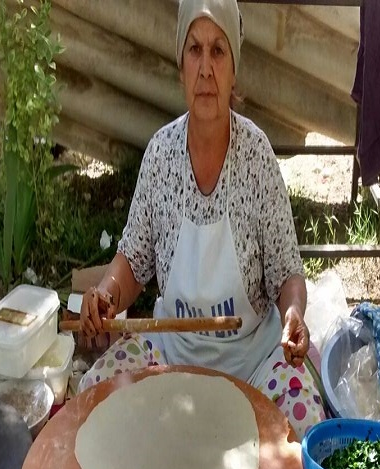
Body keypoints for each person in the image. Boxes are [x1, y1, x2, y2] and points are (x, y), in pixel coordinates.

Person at [79, 0, 324, 438]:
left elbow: (287, 272)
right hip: (171, 354)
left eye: (218, 51)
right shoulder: (161, 155)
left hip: (253, 361)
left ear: (234, 70)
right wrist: (106, 294)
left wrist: (294, 314)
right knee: (93, 396)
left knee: (304, 424)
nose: (206, 69)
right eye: (194, 50)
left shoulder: (256, 156)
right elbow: (132, 261)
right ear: (181, 66)